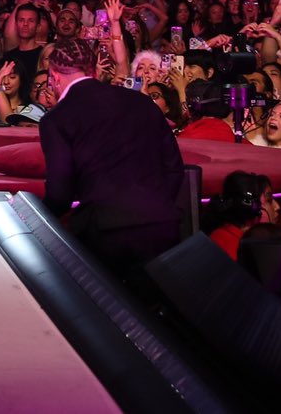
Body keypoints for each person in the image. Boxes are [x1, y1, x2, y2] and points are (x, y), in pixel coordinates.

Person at [38, 38, 187, 277]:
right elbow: (173, 167)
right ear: (94, 71)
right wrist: (153, 206)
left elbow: (60, 194)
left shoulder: (57, 119)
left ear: (54, 76)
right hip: (161, 223)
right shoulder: (141, 101)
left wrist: (35, 220)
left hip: (106, 231)